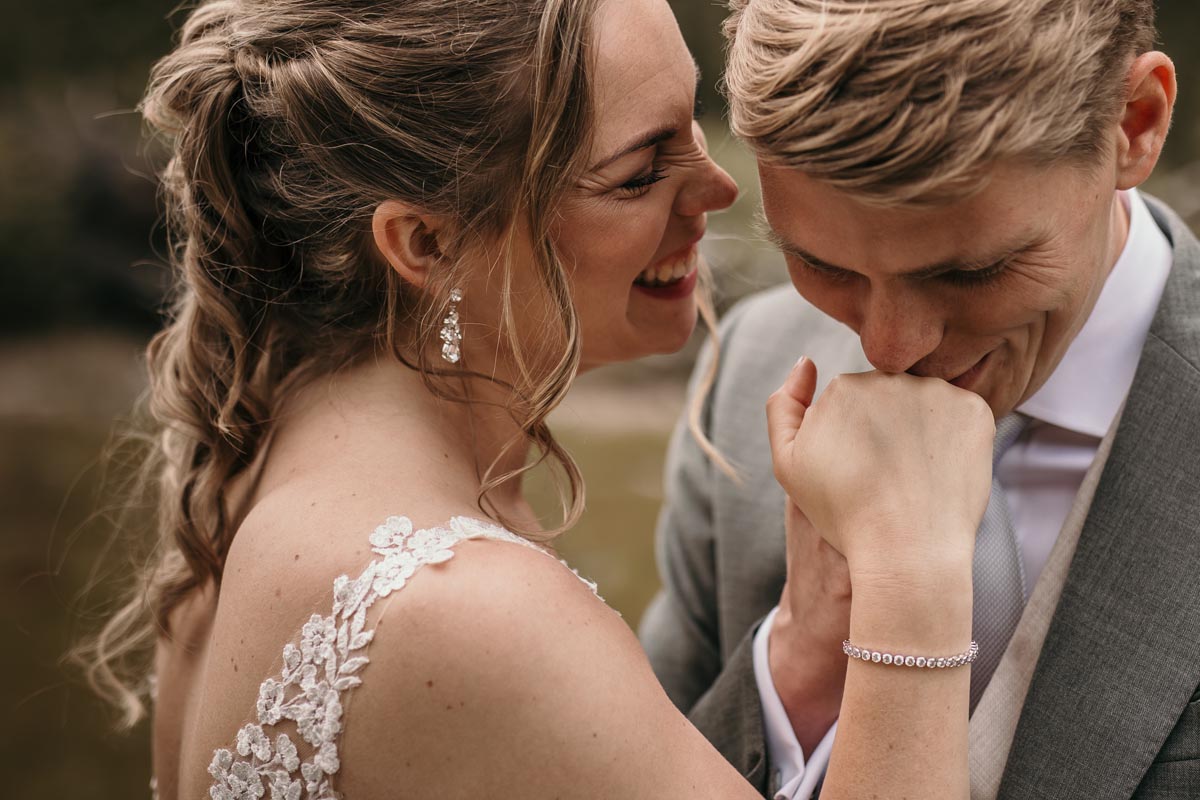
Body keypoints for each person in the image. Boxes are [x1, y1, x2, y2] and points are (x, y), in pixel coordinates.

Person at [78, 0, 1000, 798]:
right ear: (427, 244)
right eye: (643, 169)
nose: (717, 190)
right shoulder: (465, 610)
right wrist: (911, 573)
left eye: (696, 125)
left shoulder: (253, 482)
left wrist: (796, 661)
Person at [641, 0, 1200, 798]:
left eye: (969, 272)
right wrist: (797, 665)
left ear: (1134, 124)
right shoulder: (751, 366)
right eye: (822, 265)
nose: (888, 350)